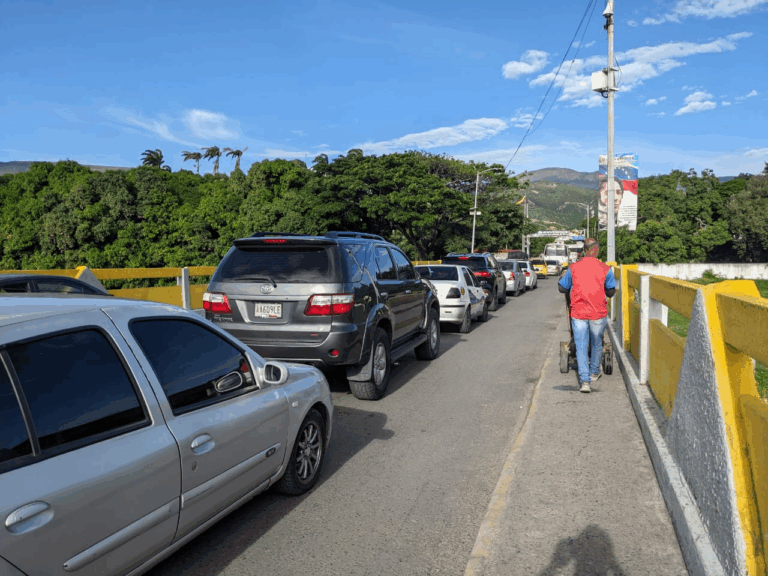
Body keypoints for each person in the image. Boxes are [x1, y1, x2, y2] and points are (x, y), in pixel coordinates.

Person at [557, 238, 616, 393]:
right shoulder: (606, 269)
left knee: (581, 346)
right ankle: (594, 371)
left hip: (578, 313)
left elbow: (562, 288)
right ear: (597, 250)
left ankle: (585, 382)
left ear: (584, 250)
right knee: (597, 342)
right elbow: (610, 292)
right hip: (598, 313)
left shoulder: (573, 268)